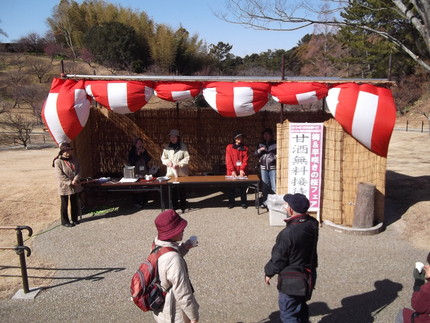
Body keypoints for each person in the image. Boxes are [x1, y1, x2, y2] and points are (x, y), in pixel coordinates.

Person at [264, 193, 319, 323]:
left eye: (287, 204)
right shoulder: (312, 223)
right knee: (301, 307)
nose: (285, 206)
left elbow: (279, 258)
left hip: (292, 280)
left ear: (290, 209)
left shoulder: (288, 234)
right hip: (309, 275)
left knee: (289, 314)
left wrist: (269, 272)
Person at [152, 209, 199, 323]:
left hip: (160, 307)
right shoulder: (174, 260)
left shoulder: (156, 244)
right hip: (174, 313)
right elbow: (183, 292)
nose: (183, 229)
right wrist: (194, 317)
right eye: (180, 228)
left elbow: (166, 260)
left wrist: (185, 247)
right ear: (172, 232)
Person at [52, 142, 83, 227]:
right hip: (64, 186)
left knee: (74, 202)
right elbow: (60, 175)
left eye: (69, 150)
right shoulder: (58, 162)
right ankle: (65, 221)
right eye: (65, 151)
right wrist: (69, 182)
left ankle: (75, 219)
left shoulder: (75, 159)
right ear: (62, 152)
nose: (67, 152)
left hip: (75, 184)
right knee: (64, 204)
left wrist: (76, 179)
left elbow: (79, 170)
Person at [396, 252, 430, 323]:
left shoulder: (427, 289)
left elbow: (417, 306)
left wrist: (418, 283)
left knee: (402, 314)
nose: (426, 266)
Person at [161, 129, 190, 212]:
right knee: (172, 189)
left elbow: (187, 157)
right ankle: (174, 205)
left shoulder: (183, 146)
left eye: (174, 136)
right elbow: (163, 158)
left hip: (181, 172)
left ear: (177, 137)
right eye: (171, 136)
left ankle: (183, 205)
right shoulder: (167, 147)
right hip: (171, 172)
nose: (172, 138)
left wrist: (180, 164)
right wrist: (168, 163)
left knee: (182, 189)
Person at [225, 131, 249, 209]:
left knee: (243, 187)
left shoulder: (245, 148)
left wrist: (242, 169)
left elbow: (246, 160)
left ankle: (244, 202)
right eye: (238, 137)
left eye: (241, 137)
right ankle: (231, 202)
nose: (239, 139)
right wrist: (232, 170)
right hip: (231, 171)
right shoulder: (229, 147)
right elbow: (228, 160)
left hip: (242, 171)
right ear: (234, 138)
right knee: (231, 187)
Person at [255, 128, 277, 208]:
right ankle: (265, 202)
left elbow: (280, 153)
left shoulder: (275, 143)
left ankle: (274, 203)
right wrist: (260, 150)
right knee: (265, 185)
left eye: (267, 134)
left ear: (271, 135)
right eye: (264, 134)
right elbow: (255, 154)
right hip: (263, 167)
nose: (266, 136)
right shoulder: (261, 144)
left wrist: (274, 155)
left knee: (274, 185)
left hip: (273, 167)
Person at [128, 138, 152, 208]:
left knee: (145, 186)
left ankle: (145, 201)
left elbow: (148, 159)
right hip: (136, 171)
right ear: (135, 144)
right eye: (138, 143)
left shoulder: (144, 150)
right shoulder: (132, 151)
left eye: (141, 143)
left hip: (144, 171)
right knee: (136, 187)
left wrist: (143, 152)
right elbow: (131, 161)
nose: (139, 144)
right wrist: (137, 154)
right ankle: (137, 202)